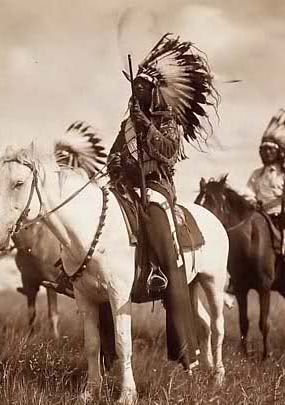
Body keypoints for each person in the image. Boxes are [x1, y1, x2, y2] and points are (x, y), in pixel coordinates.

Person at [107, 33, 219, 370]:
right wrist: (115, 171)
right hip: (126, 189)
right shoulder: (127, 124)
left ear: (154, 92)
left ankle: (164, 279)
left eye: (142, 88)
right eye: (134, 88)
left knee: (164, 239)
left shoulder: (167, 122)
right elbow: (114, 156)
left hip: (156, 190)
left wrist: (148, 129)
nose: (136, 93)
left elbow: (169, 153)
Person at [244, 109, 285, 287]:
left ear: (278, 152)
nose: (266, 153)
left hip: (281, 217)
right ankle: (237, 278)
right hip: (259, 216)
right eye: (263, 149)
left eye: (269, 150)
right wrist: (251, 201)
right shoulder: (256, 174)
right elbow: (248, 192)